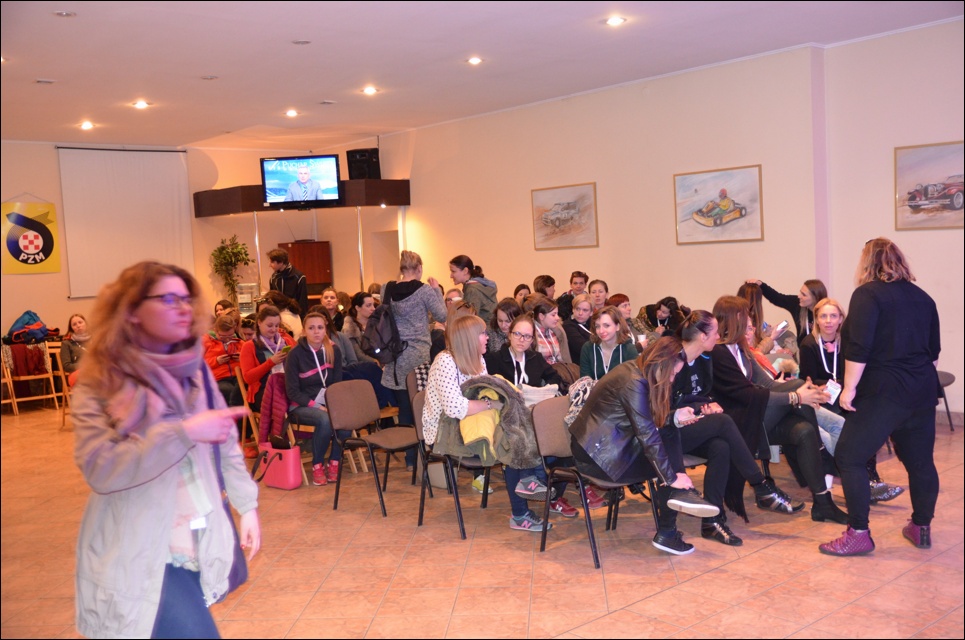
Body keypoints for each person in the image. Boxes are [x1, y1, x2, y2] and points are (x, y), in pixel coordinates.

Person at [73, 261, 259, 638]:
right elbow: (101, 470)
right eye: (169, 299)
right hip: (141, 549)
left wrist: (248, 505)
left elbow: (225, 442)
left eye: (186, 299)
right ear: (133, 311)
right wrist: (183, 432)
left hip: (196, 539)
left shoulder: (194, 368)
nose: (183, 309)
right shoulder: (99, 382)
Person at [820, 238, 941, 556]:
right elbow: (933, 355)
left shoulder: (867, 294)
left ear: (867, 263)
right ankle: (921, 527)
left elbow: (858, 348)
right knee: (920, 463)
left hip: (884, 391)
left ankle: (858, 533)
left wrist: (849, 389)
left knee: (849, 457)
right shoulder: (923, 298)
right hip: (922, 391)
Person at [569, 337, 720, 555]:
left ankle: (673, 513)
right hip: (595, 457)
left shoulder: (638, 371)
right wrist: (672, 477)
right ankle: (670, 523)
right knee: (666, 460)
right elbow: (647, 434)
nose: (671, 379)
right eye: (671, 373)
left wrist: (674, 416)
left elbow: (647, 423)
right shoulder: (633, 382)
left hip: (610, 447)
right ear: (660, 364)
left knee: (670, 432)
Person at [710, 295, 848, 524]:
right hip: (739, 423)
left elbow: (768, 384)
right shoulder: (718, 353)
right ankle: (823, 454)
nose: (750, 321)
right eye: (746, 316)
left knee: (804, 430)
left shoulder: (742, 349)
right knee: (796, 387)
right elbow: (748, 395)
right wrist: (797, 396)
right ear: (734, 318)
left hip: (760, 416)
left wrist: (806, 393)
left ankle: (823, 503)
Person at [673, 310, 804, 544]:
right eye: (715, 333)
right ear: (702, 336)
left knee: (721, 447)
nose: (719, 337)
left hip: (692, 425)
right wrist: (695, 408)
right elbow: (663, 406)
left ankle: (712, 521)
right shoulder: (672, 360)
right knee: (725, 421)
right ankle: (760, 484)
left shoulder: (704, 360)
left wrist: (705, 406)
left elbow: (700, 396)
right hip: (669, 430)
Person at [423, 315, 554, 532]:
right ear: (469, 337)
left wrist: (495, 403)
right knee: (509, 442)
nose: (487, 338)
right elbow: (456, 408)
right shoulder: (445, 361)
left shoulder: (479, 359)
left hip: (472, 422)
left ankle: (530, 484)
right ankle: (525, 498)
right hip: (445, 431)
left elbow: (484, 393)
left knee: (516, 427)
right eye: (482, 333)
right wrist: (490, 404)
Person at [799, 297, 904, 503]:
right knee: (851, 428)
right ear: (816, 320)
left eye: (833, 316)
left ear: (841, 319)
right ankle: (865, 483)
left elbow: (853, 372)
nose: (828, 321)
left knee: (867, 423)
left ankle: (872, 479)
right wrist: (830, 384)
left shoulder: (846, 342)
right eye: (823, 316)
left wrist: (840, 384)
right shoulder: (809, 344)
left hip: (845, 395)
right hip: (823, 398)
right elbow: (808, 378)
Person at [382, 251, 447, 453]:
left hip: (396, 354)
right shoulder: (425, 290)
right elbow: (442, 315)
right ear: (419, 268)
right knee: (421, 405)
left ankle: (409, 458)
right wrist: (437, 291)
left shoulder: (387, 288)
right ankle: (423, 454)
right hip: (419, 353)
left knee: (404, 406)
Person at [285, 312, 346, 486]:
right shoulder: (295, 354)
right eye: (311, 328)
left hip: (327, 402)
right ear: (304, 331)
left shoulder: (333, 350)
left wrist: (332, 405)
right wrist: (317, 406)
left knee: (345, 417)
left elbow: (336, 383)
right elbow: (292, 392)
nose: (316, 332)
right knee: (325, 420)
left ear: (326, 329)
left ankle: (334, 461)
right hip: (301, 405)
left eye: (320, 327)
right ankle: (317, 465)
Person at [239, 305, 295, 412]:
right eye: (270, 325)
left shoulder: (286, 341)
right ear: (259, 323)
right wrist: (271, 362)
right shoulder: (249, 346)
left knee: (302, 399)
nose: (274, 329)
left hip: (286, 386)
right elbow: (248, 378)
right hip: (262, 390)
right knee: (281, 404)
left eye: (277, 325)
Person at [746, 277, 827, 345]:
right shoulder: (797, 304)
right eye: (800, 292)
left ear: (815, 298)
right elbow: (777, 298)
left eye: (804, 295)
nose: (799, 296)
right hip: (803, 351)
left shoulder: (827, 313)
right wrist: (761, 284)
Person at [580, 306, 638, 380]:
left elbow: (635, 380)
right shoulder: (588, 348)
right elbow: (584, 381)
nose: (601, 331)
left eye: (606, 326)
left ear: (618, 326)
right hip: (594, 388)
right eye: (597, 326)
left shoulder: (629, 349)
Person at [202, 312, 243, 406]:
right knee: (228, 390)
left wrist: (242, 358)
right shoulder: (206, 343)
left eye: (230, 335)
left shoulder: (239, 343)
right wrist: (216, 361)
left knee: (243, 388)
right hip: (219, 378)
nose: (227, 339)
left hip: (238, 376)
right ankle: (234, 413)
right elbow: (199, 365)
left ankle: (240, 414)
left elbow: (251, 361)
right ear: (216, 331)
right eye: (223, 336)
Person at [449, 254, 498, 324]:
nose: (451, 275)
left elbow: (469, 320)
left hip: (483, 329)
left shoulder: (472, 290)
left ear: (465, 271)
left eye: (453, 271)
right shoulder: (480, 284)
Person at [267, 248, 308, 320]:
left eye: (272, 262)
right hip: (279, 317)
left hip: (295, 316)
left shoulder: (299, 277)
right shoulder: (273, 278)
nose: (269, 265)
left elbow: (303, 302)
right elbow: (272, 300)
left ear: (281, 262)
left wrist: (302, 320)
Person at [342, 291, 379, 364]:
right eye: (368, 305)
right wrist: (375, 362)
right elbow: (357, 354)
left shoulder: (376, 324)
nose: (373, 309)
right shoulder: (349, 329)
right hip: (361, 366)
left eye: (373, 305)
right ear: (358, 308)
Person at [61, 313, 91, 386]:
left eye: (80, 322)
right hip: (76, 374)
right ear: (72, 328)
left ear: (86, 324)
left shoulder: (95, 339)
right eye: (74, 324)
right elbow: (66, 366)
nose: (78, 325)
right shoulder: (66, 343)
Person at [562, 293, 593, 362]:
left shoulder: (594, 323)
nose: (580, 313)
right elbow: (583, 348)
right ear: (573, 309)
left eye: (585, 310)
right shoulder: (568, 326)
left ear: (591, 312)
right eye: (577, 309)